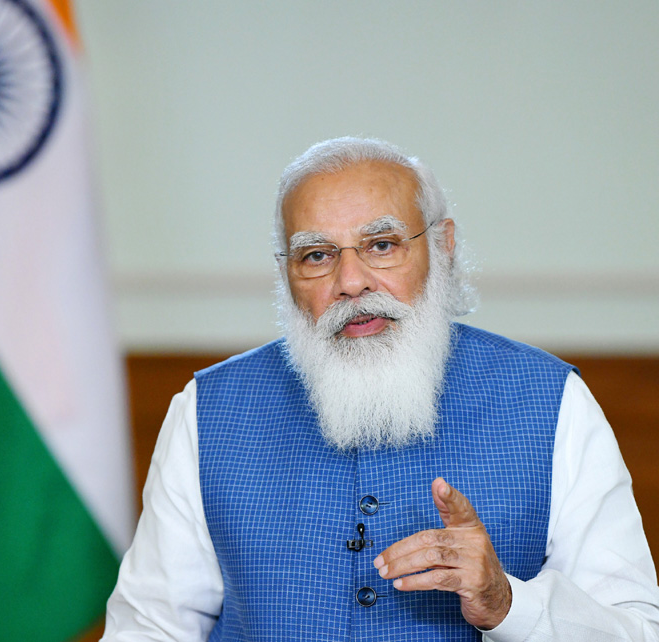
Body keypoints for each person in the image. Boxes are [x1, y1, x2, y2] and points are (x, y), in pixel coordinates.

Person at [101, 137, 659, 641]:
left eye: (382, 245)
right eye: (316, 255)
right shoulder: (210, 411)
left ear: (442, 248)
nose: (351, 282)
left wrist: (508, 603)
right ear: (286, 273)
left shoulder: (550, 401)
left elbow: (636, 630)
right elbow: (150, 629)